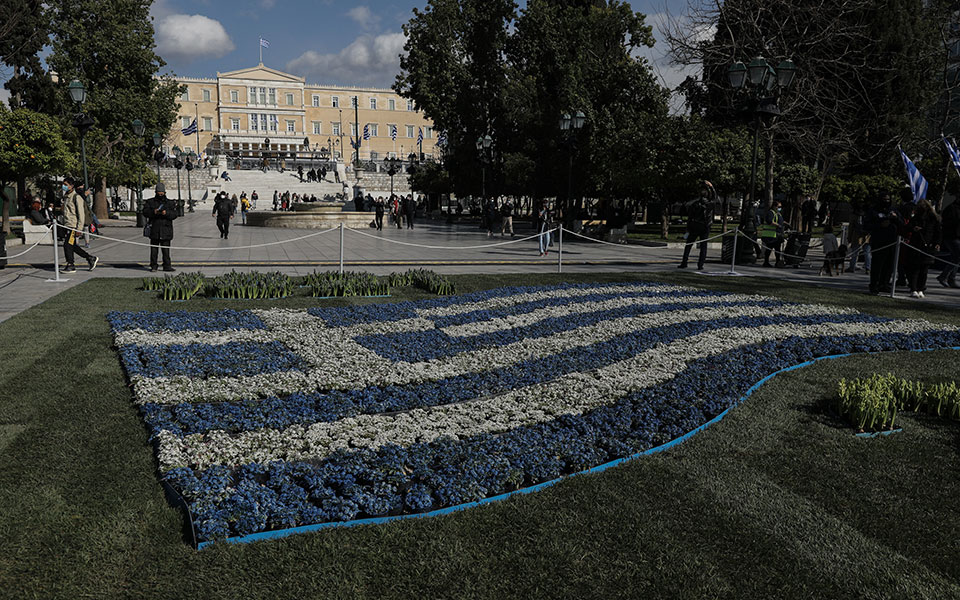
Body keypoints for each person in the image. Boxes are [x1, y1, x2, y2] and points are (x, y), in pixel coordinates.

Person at [58, 177, 98, 273]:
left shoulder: (76, 197)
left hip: (73, 225)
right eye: (63, 184)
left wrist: (79, 229)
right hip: (67, 224)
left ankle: (70, 264)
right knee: (72, 245)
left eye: (66, 185)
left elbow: (81, 214)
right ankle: (90, 258)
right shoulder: (66, 197)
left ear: (71, 186)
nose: (64, 186)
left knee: (67, 245)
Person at [903, 199, 941, 298]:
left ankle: (921, 288)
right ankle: (914, 288)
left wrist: (937, 243)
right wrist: (913, 229)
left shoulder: (933, 218)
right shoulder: (916, 217)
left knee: (924, 270)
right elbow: (907, 227)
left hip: (928, 246)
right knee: (915, 269)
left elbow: (938, 232)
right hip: (916, 245)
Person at [866, 195, 901, 295]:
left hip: (892, 241)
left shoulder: (893, 210)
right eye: (884, 199)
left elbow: (902, 223)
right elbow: (867, 225)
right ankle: (874, 285)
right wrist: (879, 225)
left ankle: (884, 284)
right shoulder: (873, 211)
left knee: (889, 265)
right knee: (877, 265)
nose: (886, 201)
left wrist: (896, 218)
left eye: (888, 199)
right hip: (879, 241)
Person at [679, 181, 715, 270]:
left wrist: (688, 228)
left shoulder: (695, 204)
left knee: (689, 245)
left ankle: (684, 262)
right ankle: (700, 264)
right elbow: (715, 197)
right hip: (705, 227)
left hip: (695, 226)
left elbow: (690, 217)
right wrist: (711, 187)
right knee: (703, 247)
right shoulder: (709, 204)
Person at [143, 182, 176, 272]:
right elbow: (145, 212)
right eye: (159, 192)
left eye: (162, 192)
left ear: (165, 193)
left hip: (166, 230)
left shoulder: (170, 203)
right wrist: (154, 212)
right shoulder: (150, 202)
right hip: (155, 229)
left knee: (166, 250)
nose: (160, 194)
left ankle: (167, 265)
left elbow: (174, 214)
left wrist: (167, 213)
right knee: (154, 250)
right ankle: (154, 265)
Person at [937, 200, 960, 288]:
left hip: (955, 236)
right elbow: (950, 223)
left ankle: (950, 278)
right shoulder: (952, 209)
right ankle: (945, 276)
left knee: (956, 258)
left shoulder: (953, 208)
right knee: (957, 257)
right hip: (952, 236)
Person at [760, 201, 789, 267]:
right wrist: (778, 225)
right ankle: (766, 262)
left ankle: (777, 262)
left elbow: (780, 220)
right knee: (769, 249)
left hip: (777, 235)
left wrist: (786, 224)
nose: (780, 208)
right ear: (774, 206)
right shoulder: (770, 213)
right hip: (771, 235)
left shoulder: (778, 213)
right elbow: (770, 221)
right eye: (778, 207)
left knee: (777, 249)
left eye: (780, 207)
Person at [846, 203, 871, 274]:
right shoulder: (868, 215)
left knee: (855, 252)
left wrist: (849, 237)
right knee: (867, 253)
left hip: (857, 235)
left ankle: (852, 267)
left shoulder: (854, 215)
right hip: (867, 236)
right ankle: (868, 268)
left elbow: (851, 227)